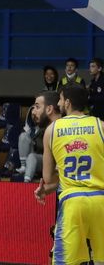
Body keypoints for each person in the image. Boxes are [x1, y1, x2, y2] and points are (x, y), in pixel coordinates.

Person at [34, 83, 104, 264]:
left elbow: (48, 178)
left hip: (72, 203)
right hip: (101, 201)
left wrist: (49, 186)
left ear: (67, 102)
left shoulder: (52, 130)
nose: (59, 103)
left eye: (61, 99)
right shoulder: (101, 125)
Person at [15, 91, 61, 182]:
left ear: (49, 109)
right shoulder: (44, 129)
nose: (33, 111)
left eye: (37, 107)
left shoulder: (62, 131)